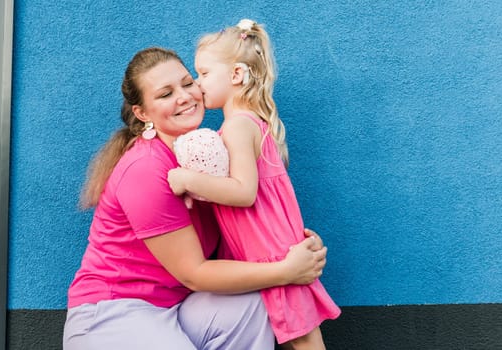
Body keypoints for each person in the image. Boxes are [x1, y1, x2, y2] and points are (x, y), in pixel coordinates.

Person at [63, 47, 329, 350]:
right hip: (114, 313)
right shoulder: (145, 169)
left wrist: (295, 250)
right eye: (165, 94)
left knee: (254, 306)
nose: (185, 97)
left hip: (176, 307)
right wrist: (286, 271)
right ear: (142, 113)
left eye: (188, 83)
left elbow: (250, 221)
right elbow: (195, 274)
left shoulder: (205, 154)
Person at [167, 19, 341, 350]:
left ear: (235, 75)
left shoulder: (237, 127)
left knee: (305, 343)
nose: (197, 84)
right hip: (268, 251)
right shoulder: (248, 124)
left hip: (270, 252)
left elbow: (244, 193)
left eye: (204, 73)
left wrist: (188, 179)